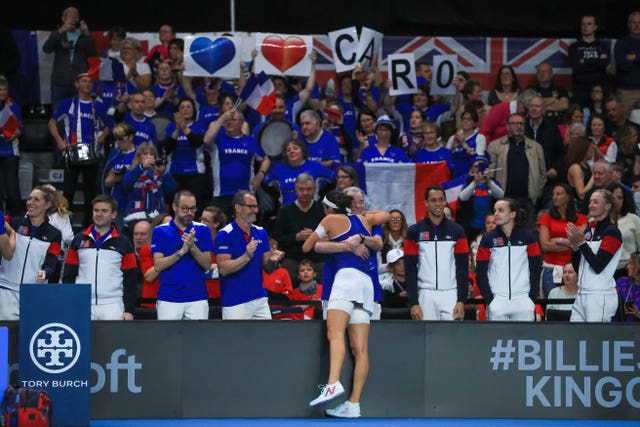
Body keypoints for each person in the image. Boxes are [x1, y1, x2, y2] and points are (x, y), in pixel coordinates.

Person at [303, 190, 390, 418]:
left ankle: (333, 384)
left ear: (329, 207)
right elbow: (386, 215)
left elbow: (308, 247)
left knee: (335, 333)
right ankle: (353, 405)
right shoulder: (364, 219)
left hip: (345, 280)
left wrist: (342, 242)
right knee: (360, 349)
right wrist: (351, 243)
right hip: (365, 285)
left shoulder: (330, 219)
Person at [48, 73, 109, 228]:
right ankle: (63, 225)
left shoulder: (98, 105)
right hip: (72, 153)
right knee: (68, 191)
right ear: (77, 85)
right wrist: (60, 142)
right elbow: (52, 123)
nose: (88, 84)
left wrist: (103, 137)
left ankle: (88, 226)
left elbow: (109, 125)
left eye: (90, 81)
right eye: (84, 81)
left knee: (91, 192)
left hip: (92, 154)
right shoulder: (68, 103)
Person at [62, 194, 137, 320]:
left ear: (113, 214)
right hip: (82, 302)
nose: (99, 214)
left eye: (104, 211)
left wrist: (129, 310)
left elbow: (131, 280)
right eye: (96, 210)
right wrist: (70, 302)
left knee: (113, 340)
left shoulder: (123, 243)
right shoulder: (78, 239)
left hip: (113, 304)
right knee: (82, 340)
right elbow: (69, 275)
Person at [215, 190, 284, 320]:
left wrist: (275, 259)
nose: (255, 210)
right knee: (236, 340)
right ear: (238, 207)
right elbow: (223, 269)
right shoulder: (225, 234)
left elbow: (268, 268)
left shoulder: (261, 232)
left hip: (259, 299)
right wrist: (246, 256)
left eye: (256, 206)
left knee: (266, 339)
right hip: (235, 301)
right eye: (251, 207)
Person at [404, 185, 469, 321]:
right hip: (425, 294)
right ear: (426, 203)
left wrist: (461, 300)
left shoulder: (457, 231)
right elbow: (410, 269)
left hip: (451, 293)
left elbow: (463, 268)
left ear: (445, 202)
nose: (438, 204)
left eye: (441, 199)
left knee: (452, 338)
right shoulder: (414, 231)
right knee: (427, 340)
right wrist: (414, 302)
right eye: (433, 200)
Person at [0, 187, 62, 320]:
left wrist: (45, 272)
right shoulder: (12, 223)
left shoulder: (54, 234)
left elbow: (51, 261)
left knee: (30, 339)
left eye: (36, 199)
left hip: (35, 295)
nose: (30, 202)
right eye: (29, 198)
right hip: (6, 291)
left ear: (48, 204)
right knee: (3, 337)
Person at [476, 198, 542, 321]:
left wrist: (531, 298)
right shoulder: (487, 239)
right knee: (496, 340)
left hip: (523, 300)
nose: (496, 214)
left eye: (500, 210)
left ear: (513, 214)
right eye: (495, 210)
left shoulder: (529, 237)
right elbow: (480, 273)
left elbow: (536, 268)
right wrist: (490, 300)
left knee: (524, 340)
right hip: (497, 301)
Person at [151, 190, 213, 320]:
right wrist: (181, 252)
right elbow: (158, 266)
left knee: (198, 340)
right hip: (169, 298)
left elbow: (207, 265)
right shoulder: (160, 231)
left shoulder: (203, 230)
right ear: (174, 207)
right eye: (185, 209)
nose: (189, 213)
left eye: (192, 209)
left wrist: (192, 247)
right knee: (168, 340)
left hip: (197, 297)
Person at [566, 189, 622, 322]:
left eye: (596, 202)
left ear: (608, 206)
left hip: (600, 295)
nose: (590, 205)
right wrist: (574, 247)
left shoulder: (613, 232)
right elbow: (577, 267)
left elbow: (598, 265)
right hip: (581, 294)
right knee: (574, 338)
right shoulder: (588, 230)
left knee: (596, 340)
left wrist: (581, 243)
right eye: (590, 201)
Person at [487, 113, 547, 227]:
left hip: (527, 201)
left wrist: (535, 193)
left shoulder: (535, 147)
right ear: (507, 126)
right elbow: (490, 173)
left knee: (528, 234)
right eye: (515, 124)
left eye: (521, 123)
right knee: (503, 234)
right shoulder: (495, 146)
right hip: (504, 199)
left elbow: (542, 175)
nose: (519, 126)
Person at [203, 109, 259, 219]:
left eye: (233, 120)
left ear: (241, 123)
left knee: (245, 230)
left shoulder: (251, 141)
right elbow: (206, 140)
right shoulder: (218, 140)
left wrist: (260, 174)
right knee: (221, 229)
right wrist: (221, 119)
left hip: (245, 195)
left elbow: (266, 158)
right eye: (227, 120)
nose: (229, 122)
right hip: (221, 194)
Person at [272, 173, 326, 286]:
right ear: (295, 190)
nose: (305, 193)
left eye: (309, 189)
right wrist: (296, 237)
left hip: (318, 258)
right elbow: (277, 237)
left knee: (327, 274)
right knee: (286, 276)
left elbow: (332, 234)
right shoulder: (285, 211)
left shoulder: (323, 209)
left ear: (314, 189)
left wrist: (315, 236)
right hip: (293, 258)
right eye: (301, 189)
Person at [537, 183, 588, 297]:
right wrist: (572, 244)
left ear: (568, 197)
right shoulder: (546, 218)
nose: (554, 197)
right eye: (553, 194)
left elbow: (582, 243)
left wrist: (559, 240)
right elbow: (545, 245)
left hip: (575, 269)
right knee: (552, 306)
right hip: (551, 269)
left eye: (559, 194)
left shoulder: (581, 218)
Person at [42, 6, 96, 110]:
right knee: (58, 115)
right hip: (60, 82)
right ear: (63, 19)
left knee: (79, 113)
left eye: (76, 17)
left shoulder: (83, 35)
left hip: (79, 82)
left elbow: (92, 55)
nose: (74, 19)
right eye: (71, 16)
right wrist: (61, 30)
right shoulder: (57, 33)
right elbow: (47, 49)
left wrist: (87, 34)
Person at [263, 139, 335, 206]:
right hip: (287, 210)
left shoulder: (315, 166)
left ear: (303, 151)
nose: (292, 151)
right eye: (288, 150)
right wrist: (277, 197)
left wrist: (322, 196)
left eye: (295, 148)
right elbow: (264, 183)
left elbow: (334, 179)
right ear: (286, 154)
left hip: (311, 210)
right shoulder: (279, 169)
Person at [122, 142, 177, 227]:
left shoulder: (160, 173)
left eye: (152, 154)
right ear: (139, 156)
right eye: (145, 154)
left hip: (156, 216)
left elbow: (172, 189)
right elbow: (126, 184)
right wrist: (142, 167)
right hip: (135, 215)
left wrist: (163, 172)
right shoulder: (132, 170)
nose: (149, 156)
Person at [164, 98, 207, 204]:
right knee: (175, 206)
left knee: (194, 206)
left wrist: (183, 126)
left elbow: (197, 142)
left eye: (188, 107)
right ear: (177, 112)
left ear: (194, 110)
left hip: (195, 173)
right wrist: (178, 129)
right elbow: (168, 147)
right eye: (182, 107)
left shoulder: (199, 125)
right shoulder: (171, 127)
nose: (185, 109)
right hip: (174, 173)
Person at [457, 154, 504, 241]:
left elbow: (501, 195)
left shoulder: (492, 182)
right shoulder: (468, 182)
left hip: (490, 226)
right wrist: (474, 182)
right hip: (471, 226)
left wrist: (489, 182)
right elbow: (462, 197)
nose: (479, 169)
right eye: (476, 166)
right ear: (471, 169)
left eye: (482, 166)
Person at [568, 15, 610, 107]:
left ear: (595, 27)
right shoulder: (574, 47)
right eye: (583, 24)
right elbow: (576, 66)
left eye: (589, 24)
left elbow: (604, 64)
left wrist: (584, 61)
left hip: (599, 89)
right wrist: (596, 61)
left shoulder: (603, 46)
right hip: (580, 90)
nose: (585, 27)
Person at [103, 122, 137, 224]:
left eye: (121, 138)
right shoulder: (115, 154)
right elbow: (107, 182)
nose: (118, 142)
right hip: (117, 201)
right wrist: (117, 178)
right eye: (116, 139)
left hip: (136, 201)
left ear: (131, 137)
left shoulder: (140, 153)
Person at [0, 76, 22, 216]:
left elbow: (20, 128)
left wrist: (15, 134)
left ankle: (16, 222)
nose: (2, 92)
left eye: (4, 89)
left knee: (12, 191)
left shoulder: (13, 107)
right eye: (0, 90)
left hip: (10, 153)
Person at [608, 182, 640, 279]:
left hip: (627, 269)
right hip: (603, 269)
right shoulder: (596, 220)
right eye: (614, 197)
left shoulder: (633, 219)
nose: (617, 201)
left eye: (620, 197)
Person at [446, 108, 487, 178]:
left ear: (474, 123)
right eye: (464, 119)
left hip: (471, 175)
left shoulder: (480, 138)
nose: (465, 121)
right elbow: (446, 157)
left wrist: (464, 144)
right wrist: (453, 146)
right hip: (454, 175)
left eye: (469, 119)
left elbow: (479, 159)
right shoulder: (453, 138)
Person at [614, 11, 640, 115]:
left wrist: (634, 57)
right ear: (629, 25)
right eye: (634, 22)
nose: (637, 25)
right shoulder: (621, 43)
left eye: (639, 22)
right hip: (626, 92)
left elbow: (630, 62)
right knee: (626, 126)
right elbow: (623, 65)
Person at [616, 251, 640, 322]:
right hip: (619, 327)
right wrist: (619, 309)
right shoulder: (622, 282)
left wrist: (637, 313)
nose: (627, 267)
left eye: (631, 263)